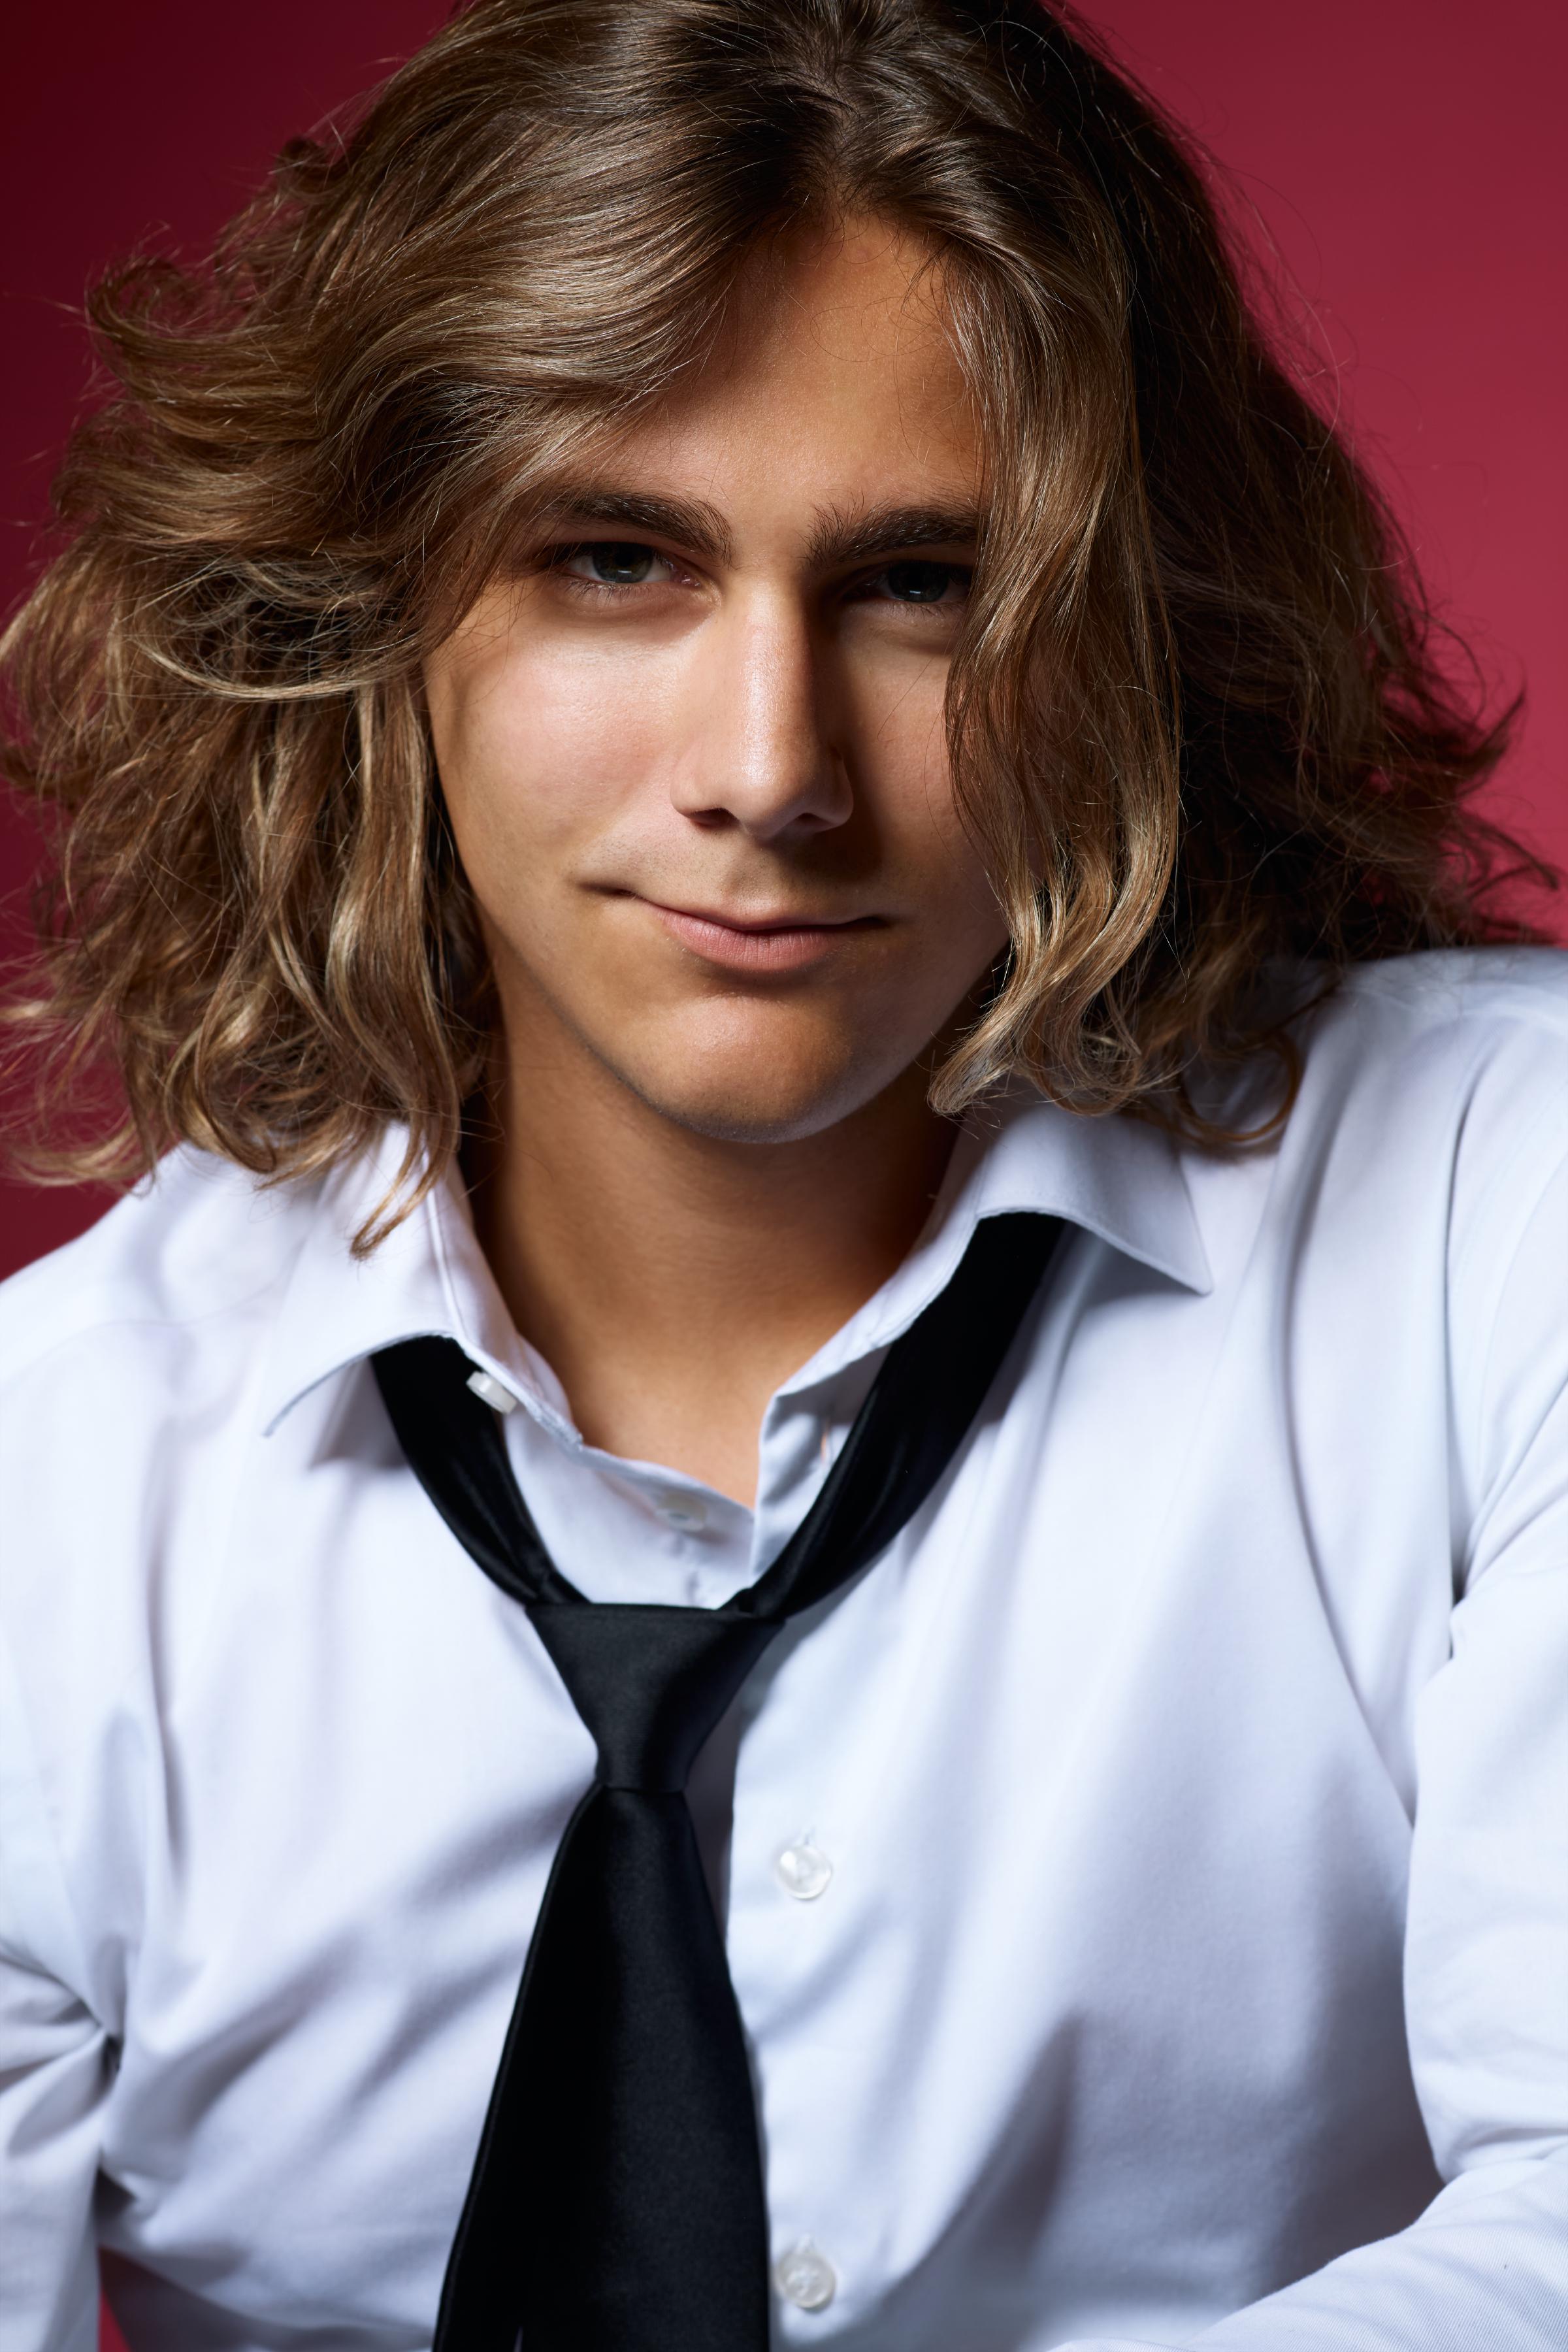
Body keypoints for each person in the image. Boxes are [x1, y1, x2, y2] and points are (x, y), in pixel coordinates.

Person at [1, 1, 1563, 2347]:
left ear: (1127, 636)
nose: (770, 764)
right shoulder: (59, 1486)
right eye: (618, 560)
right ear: (373, 620)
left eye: (926, 584)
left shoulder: (1490, 1222)